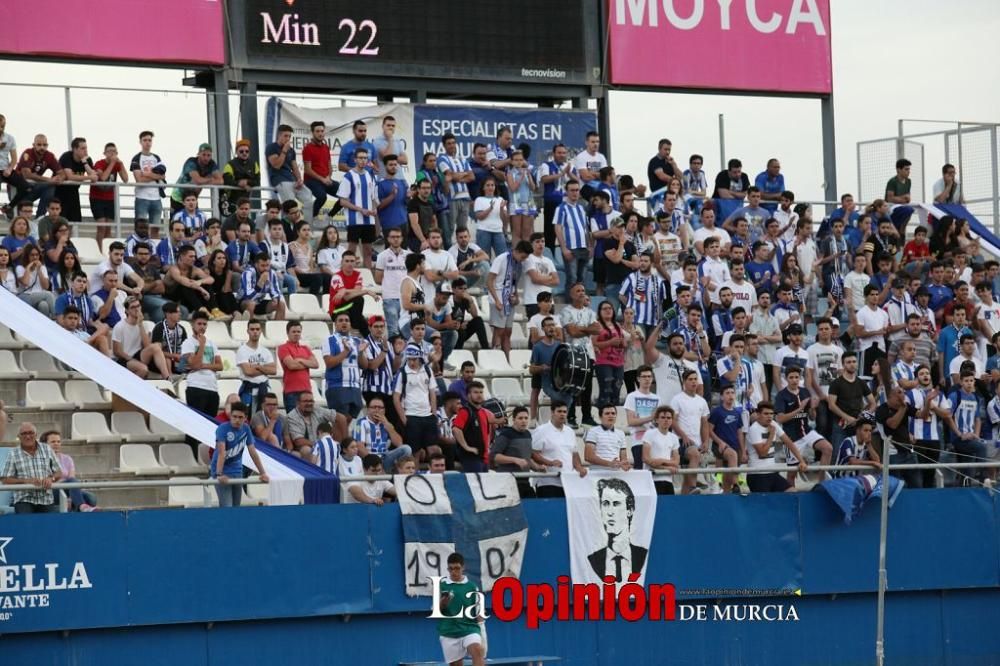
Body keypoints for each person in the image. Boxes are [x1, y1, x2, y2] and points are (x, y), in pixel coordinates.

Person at [774, 366, 833, 485]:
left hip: (807, 431)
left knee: (828, 448)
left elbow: (812, 417)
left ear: (800, 378)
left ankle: (821, 482)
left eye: (797, 377)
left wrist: (812, 408)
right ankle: (790, 496)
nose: (794, 380)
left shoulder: (805, 392)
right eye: (791, 377)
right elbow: (780, 418)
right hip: (791, 437)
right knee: (791, 474)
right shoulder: (781, 395)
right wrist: (800, 408)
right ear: (786, 379)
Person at [587, 477, 647, 582]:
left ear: (630, 510)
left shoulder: (644, 556)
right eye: (605, 504)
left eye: (616, 504)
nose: (610, 512)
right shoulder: (592, 560)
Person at [181, 310, 224, 456]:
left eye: (205, 324)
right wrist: (201, 346)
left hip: (212, 387)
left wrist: (204, 365)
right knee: (195, 424)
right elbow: (194, 364)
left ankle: (206, 456)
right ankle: (191, 456)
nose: (202, 327)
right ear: (193, 324)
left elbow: (220, 366)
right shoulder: (187, 343)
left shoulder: (212, 343)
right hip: (196, 387)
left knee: (210, 426)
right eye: (199, 323)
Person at [211, 402, 269, 507]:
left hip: (237, 472)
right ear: (230, 416)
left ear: (245, 418)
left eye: (240, 417)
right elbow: (221, 453)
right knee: (227, 507)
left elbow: (253, 452)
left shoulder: (246, 429)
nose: (237, 420)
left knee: (236, 507)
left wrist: (263, 473)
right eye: (234, 416)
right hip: (221, 471)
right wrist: (219, 474)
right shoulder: (222, 428)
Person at [322, 311, 369, 435]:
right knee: (340, 420)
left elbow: (364, 365)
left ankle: (338, 442)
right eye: (341, 320)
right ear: (335, 324)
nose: (344, 323)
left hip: (355, 386)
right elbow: (329, 363)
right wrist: (345, 352)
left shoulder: (357, 341)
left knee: (346, 421)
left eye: (347, 320)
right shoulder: (329, 340)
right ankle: (340, 447)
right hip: (337, 385)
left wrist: (360, 353)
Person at [437, 552, 486, 666]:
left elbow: (479, 613)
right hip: (449, 631)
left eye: (457, 568)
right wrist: (443, 603)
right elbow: (436, 610)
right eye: (451, 569)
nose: (454, 572)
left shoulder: (472, 587)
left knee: (477, 651)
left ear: (463, 567)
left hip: (469, 629)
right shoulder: (441, 586)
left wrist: (483, 636)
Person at [1, 422, 62, 514]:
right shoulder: (13, 453)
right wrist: (26, 481)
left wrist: (51, 479)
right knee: (26, 527)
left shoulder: (47, 449)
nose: (28, 436)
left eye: (31, 433)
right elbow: (5, 479)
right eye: (24, 433)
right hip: (24, 499)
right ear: (19, 436)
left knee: (50, 527)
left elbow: (59, 472)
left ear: (36, 435)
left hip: (46, 498)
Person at [531, 401, 588, 498]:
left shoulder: (570, 431)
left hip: (567, 481)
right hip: (547, 481)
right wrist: (550, 463)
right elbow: (533, 453)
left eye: (565, 412)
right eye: (559, 411)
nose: (562, 414)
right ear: (552, 412)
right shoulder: (541, 430)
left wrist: (579, 468)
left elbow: (574, 454)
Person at [745, 402, 805, 493]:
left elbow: (789, 442)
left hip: (772, 473)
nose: (769, 416)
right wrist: (772, 434)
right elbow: (762, 453)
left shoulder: (773, 424)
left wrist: (801, 461)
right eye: (766, 414)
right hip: (757, 475)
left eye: (771, 414)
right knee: (764, 505)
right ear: (758, 414)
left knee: (792, 492)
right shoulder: (754, 429)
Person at [394, 344, 439, 465]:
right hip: (411, 415)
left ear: (419, 358)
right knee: (415, 452)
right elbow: (396, 397)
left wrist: (434, 413)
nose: (412, 362)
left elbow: (432, 393)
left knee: (434, 450)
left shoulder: (428, 371)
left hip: (427, 415)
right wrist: (404, 418)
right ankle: (415, 479)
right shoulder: (403, 372)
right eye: (409, 359)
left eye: (414, 359)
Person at [486, 240, 530, 358]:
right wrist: (496, 300)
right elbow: (489, 281)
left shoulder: (518, 264)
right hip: (498, 298)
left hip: (509, 300)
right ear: (517, 251)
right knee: (499, 330)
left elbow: (514, 283)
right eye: (523, 256)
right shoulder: (501, 259)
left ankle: (507, 358)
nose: (523, 259)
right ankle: (494, 356)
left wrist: (516, 297)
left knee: (508, 332)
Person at [337, 147, 379, 269]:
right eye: (360, 158)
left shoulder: (370, 176)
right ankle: (347, 277)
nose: (363, 160)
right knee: (351, 251)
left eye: (365, 158)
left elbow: (373, 197)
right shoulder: (349, 176)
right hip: (354, 219)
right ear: (355, 159)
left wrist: (375, 209)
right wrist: (361, 210)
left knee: (368, 251)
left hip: (369, 220)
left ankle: (368, 280)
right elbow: (343, 201)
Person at [827, 351, 877, 454]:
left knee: (857, 453)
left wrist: (863, 416)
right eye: (848, 362)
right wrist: (847, 417)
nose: (852, 364)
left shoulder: (861, 383)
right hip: (840, 424)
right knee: (838, 453)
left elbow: (873, 403)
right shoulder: (836, 383)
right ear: (843, 364)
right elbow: (831, 405)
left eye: (854, 361)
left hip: (857, 424)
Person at [112, 296, 172, 379]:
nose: (137, 309)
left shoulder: (144, 325)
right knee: (143, 369)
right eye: (133, 307)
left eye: (138, 306)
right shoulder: (120, 326)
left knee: (155, 347)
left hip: (138, 354)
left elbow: (147, 346)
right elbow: (117, 351)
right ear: (127, 311)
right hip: (125, 358)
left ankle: (168, 378)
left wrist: (140, 324)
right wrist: (130, 359)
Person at [669, 370, 708, 495]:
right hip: (680, 441)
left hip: (696, 443)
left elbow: (704, 423)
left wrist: (706, 441)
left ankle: (685, 497)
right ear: (684, 382)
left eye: (695, 379)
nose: (693, 382)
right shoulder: (677, 399)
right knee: (695, 455)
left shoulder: (702, 401)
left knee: (688, 475)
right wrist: (683, 436)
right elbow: (673, 421)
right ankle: (693, 486)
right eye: (690, 379)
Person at [490, 406, 542, 498]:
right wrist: (515, 460)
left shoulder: (528, 434)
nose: (524, 421)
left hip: (525, 481)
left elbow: (527, 457)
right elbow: (494, 456)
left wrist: (537, 468)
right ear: (513, 420)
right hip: (508, 481)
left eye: (526, 418)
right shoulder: (506, 434)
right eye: (520, 418)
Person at [266, 125, 315, 220]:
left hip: (292, 180)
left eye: (289, 136)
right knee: (290, 206)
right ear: (279, 135)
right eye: (285, 136)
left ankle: (305, 225)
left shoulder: (291, 150)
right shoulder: (271, 147)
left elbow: (295, 167)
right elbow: (276, 165)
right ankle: (289, 229)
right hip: (280, 179)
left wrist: (300, 179)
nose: (288, 138)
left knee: (309, 198)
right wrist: (284, 150)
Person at [351, 395, 411, 472]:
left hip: (385, 458)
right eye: (374, 407)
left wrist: (386, 424)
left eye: (380, 407)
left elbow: (399, 443)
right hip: (369, 458)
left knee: (406, 449)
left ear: (384, 410)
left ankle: (396, 473)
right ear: (368, 410)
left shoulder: (386, 423)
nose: (377, 410)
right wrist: (375, 462)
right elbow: (360, 447)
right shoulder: (361, 423)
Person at [42, 431, 96, 512]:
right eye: (53, 442)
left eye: (58, 441)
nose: (56, 444)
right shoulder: (40, 460)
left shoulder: (67, 459)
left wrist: (70, 498)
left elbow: (72, 478)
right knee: (72, 484)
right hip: (51, 492)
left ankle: (80, 514)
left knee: (89, 498)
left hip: (68, 490)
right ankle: (82, 506)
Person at [328, 251, 378, 336]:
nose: (349, 264)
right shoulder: (336, 277)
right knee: (359, 300)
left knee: (364, 323)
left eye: (352, 261)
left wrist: (345, 290)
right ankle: (355, 324)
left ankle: (371, 344)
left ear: (355, 263)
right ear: (342, 262)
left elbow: (357, 291)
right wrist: (366, 291)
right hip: (337, 310)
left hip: (351, 310)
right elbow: (348, 298)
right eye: (347, 261)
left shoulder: (358, 275)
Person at [708, 385, 744, 493]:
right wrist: (720, 442)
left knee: (726, 480)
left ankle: (727, 494)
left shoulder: (737, 413)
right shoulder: (717, 411)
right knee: (732, 455)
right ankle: (736, 484)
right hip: (720, 446)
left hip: (734, 446)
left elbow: (739, 433)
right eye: (727, 393)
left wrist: (743, 450)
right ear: (722, 397)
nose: (730, 395)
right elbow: (709, 430)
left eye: (732, 392)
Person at [451, 381, 494, 473]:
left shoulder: (483, 412)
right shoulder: (465, 411)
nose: (479, 395)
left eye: (481, 392)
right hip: (471, 457)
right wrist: (466, 447)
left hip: (483, 456)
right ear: (468, 395)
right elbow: (456, 429)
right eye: (475, 392)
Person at [301, 121, 342, 219]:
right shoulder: (308, 148)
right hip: (311, 180)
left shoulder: (326, 147)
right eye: (317, 131)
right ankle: (310, 218)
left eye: (322, 131)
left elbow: (329, 166)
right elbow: (308, 170)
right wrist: (322, 179)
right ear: (313, 133)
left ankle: (329, 217)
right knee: (322, 197)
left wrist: (328, 177)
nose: (320, 133)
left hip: (325, 179)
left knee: (345, 194)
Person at [287, 391, 344, 460]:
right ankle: (312, 470)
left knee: (337, 424)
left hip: (322, 443)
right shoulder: (292, 416)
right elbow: (299, 441)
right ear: (298, 403)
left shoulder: (317, 409)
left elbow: (341, 418)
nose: (309, 403)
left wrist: (344, 444)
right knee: (307, 450)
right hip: (303, 448)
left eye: (311, 401)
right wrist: (321, 445)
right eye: (305, 401)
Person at [554, 181, 590, 289]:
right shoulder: (561, 208)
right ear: (567, 192)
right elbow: (557, 228)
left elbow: (586, 228)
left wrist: (590, 246)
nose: (575, 193)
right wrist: (564, 249)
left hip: (584, 248)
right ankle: (569, 304)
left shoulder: (581, 208)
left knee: (582, 280)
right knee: (572, 279)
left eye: (577, 190)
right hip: (571, 248)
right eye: (572, 190)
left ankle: (580, 305)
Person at [236, 320, 276, 415]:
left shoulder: (265, 351)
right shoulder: (242, 350)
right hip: (249, 389)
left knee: (263, 418)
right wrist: (265, 369)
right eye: (252, 329)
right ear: (248, 331)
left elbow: (274, 370)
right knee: (248, 417)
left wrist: (257, 366)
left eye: (257, 329)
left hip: (264, 388)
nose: (255, 332)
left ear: (261, 331)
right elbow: (248, 372)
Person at [169, 143, 223, 214]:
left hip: (193, 198)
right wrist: (210, 178)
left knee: (195, 221)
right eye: (203, 155)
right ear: (198, 154)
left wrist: (204, 180)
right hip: (178, 197)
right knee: (176, 222)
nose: (206, 158)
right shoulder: (191, 162)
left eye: (208, 155)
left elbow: (221, 181)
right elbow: (198, 180)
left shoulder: (212, 164)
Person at [592, 300, 626, 408]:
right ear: (599, 312)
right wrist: (610, 342)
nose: (608, 310)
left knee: (616, 391)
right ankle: (601, 416)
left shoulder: (617, 325)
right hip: (603, 362)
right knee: (606, 390)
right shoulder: (597, 325)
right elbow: (593, 343)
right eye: (604, 309)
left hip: (619, 362)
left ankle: (613, 417)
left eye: (610, 308)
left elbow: (623, 343)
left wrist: (622, 343)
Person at [641, 406, 682, 495]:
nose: (666, 420)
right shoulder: (649, 434)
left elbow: (676, 462)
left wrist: (659, 461)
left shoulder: (674, 438)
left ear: (672, 420)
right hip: (652, 479)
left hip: (668, 480)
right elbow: (646, 459)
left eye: (668, 418)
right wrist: (667, 466)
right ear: (656, 420)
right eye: (663, 417)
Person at [130, 131, 167, 225]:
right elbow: (139, 180)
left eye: (149, 140)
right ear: (140, 142)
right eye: (145, 140)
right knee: (141, 228)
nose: (147, 142)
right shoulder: (136, 158)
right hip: (142, 197)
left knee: (156, 228)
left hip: (156, 198)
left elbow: (163, 176)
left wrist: (146, 174)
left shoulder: (157, 158)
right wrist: (156, 177)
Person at [238, 251, 286, 320]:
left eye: (267, 265)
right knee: (251, 304)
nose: (266, 268)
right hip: (244, 303)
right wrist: (260, 283)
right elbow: (248, 296)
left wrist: (275, 298)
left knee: (281, 304)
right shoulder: (248, 273)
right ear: (256, 265)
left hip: (259, 302)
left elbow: (275, 291)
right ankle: (250, 327)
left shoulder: (271, 273)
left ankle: (278, 329)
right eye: (263, 266)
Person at [472, 177, 509, 260]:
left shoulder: (500, 199)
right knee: (484, 258)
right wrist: (490, 209)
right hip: (483, 231)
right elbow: (479, 216)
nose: (490, 187)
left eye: (492, 185)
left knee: (503, 257)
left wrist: (502, 209)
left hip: (498, 231)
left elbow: (504, 218)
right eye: (488, 185)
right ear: (483, 188)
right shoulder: (479, 199)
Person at [584, 405, 630, 470]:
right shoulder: (593, 431)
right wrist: (609, 464)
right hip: (597, 473)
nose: (610, 416)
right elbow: (588, 457)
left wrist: (625, 465)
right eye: (607, 413)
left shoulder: (621, 433)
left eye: (613, 413)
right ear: (600, 417)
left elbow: (623, 459)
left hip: (616, 474)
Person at [885, 158, 915, 235]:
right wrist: (903, 198)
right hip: (892, 207)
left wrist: (904, 198)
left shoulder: (908, 181)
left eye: (909, 169)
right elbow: (890, 198)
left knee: (910, 211)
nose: (909, 171)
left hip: (902, 206)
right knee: (909, 210)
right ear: (899, 170)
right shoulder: (892, 181)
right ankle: (901, 231)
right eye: (906, 169)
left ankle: (902, 230)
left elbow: (908, 197)